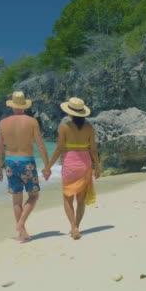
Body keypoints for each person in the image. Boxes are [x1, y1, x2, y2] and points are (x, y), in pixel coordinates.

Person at [0, 91, 49, 242]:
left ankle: (22, 234)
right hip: (27, 162)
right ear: (24, 105)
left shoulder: (2, 123)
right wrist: (47, 166)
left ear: (12, 106)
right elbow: (41, 145)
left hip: (10, 163)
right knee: (33, 196)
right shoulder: (32, 122)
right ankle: (21, 225)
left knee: (16, 201)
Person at [43, 97, 100, 240]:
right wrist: (97, 166)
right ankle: (77, 227)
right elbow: (93, 149)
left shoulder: (64, 127)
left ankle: (73, 227)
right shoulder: (89, 128)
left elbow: (59, 149)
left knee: (68, 198)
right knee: (80, 200)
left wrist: (48, 166)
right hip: (85, 164)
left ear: (70, 112)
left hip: (70, 164)